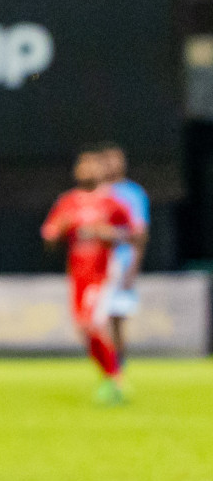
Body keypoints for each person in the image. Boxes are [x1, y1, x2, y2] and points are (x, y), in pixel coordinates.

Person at [41, 148, 144, 405]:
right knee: (83, 328)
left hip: (103, 272)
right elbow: (49, 236)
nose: (86, 170)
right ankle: (111, 378)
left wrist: (109, 234)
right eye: (82, 165)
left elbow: (135, 234)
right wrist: (60, 230)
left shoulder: (112, 202)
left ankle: (116, 377)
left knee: (91, 323)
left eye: (91, 166)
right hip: (78, 274)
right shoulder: (69, 201)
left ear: (100, 172)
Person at [95, 143, 149, 362]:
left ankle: (118, 367)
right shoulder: (97, 193)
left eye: (116, 160)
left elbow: (139, 234)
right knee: (96, 319)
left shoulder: (132, 193)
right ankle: (108, 366)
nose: (112, 165)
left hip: (121, 262)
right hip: (95, 264)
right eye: (107, 161)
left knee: (116, 317)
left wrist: (133, 267)